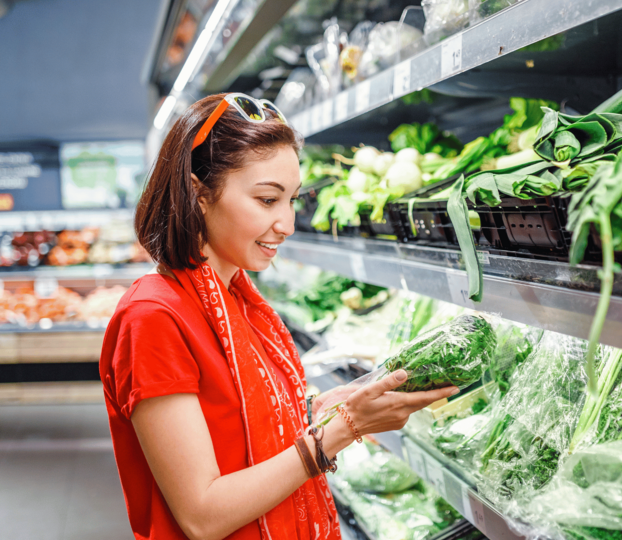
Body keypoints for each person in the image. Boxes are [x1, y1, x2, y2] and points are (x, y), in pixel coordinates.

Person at [100, 93, 458, 540]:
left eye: (291, 199)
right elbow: (201, 514)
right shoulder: (153, 317)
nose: (287, 223)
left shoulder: (238, 300)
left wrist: (319, 410)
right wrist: (340, 431)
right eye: (268, 200)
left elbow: (234, 426)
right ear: (199, 194)